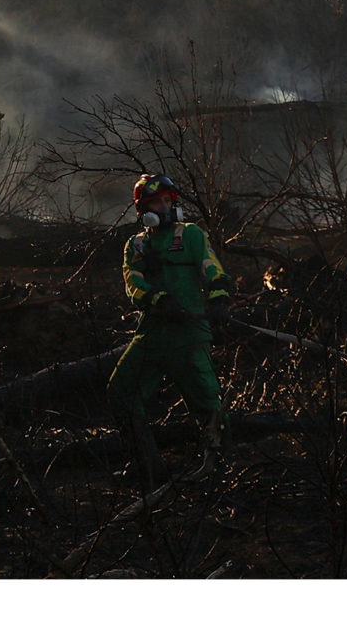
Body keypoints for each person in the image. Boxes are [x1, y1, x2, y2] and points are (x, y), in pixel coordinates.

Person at [108, 171, 231, 484]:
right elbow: (132, 283)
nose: (165, 207)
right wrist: (159, 300)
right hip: (151, 334)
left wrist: (219, 298)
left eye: (168, 201)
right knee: (122, 390)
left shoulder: (190, 234)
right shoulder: (136, 245)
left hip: (188, 336)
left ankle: (216, 467)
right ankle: (146, 466)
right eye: (156, 202)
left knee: (207, 400)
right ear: (143, 211)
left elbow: (211, 267)